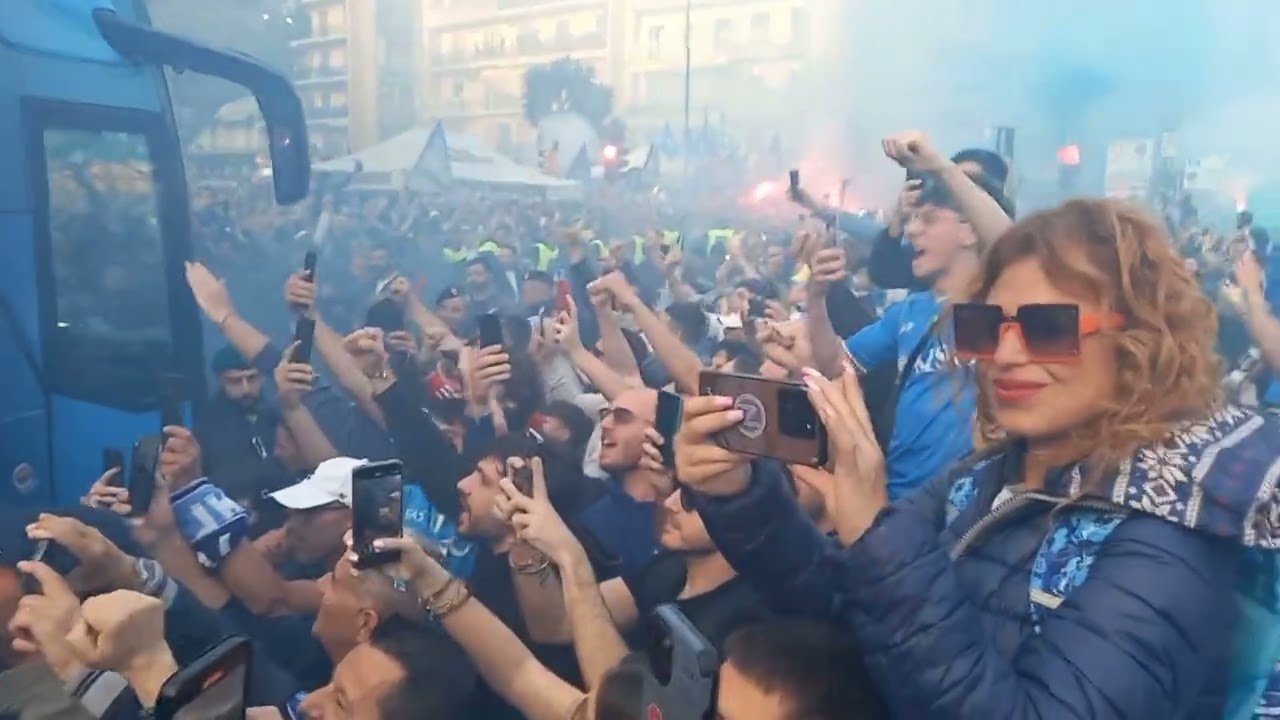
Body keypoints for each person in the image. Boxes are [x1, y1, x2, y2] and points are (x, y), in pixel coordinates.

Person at [676, 198, 1280, 718]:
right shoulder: (987, 475)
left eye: (1045, 328)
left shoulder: (1180, 523)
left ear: (1140, 342)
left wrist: (874, 534)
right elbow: (848, 605)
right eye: (987, 327)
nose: (1006, 356)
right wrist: (740, 496)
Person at [806, 132, 1012, 498]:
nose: (912, 231)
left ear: (969, 230)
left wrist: (941, 167)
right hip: (899, 501)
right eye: (913, 219)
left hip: (966, 506)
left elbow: (1012, 246)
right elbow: (835, 365)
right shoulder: (911, 311)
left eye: (928, 219)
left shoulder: (999, 309)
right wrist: (816, 298)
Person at [194, 345, 278, 477]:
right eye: (235, 381)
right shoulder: (209, 427)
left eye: (252, 378)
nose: (246, 389)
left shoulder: (278, 413)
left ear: (262, 377)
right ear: (221, 381)